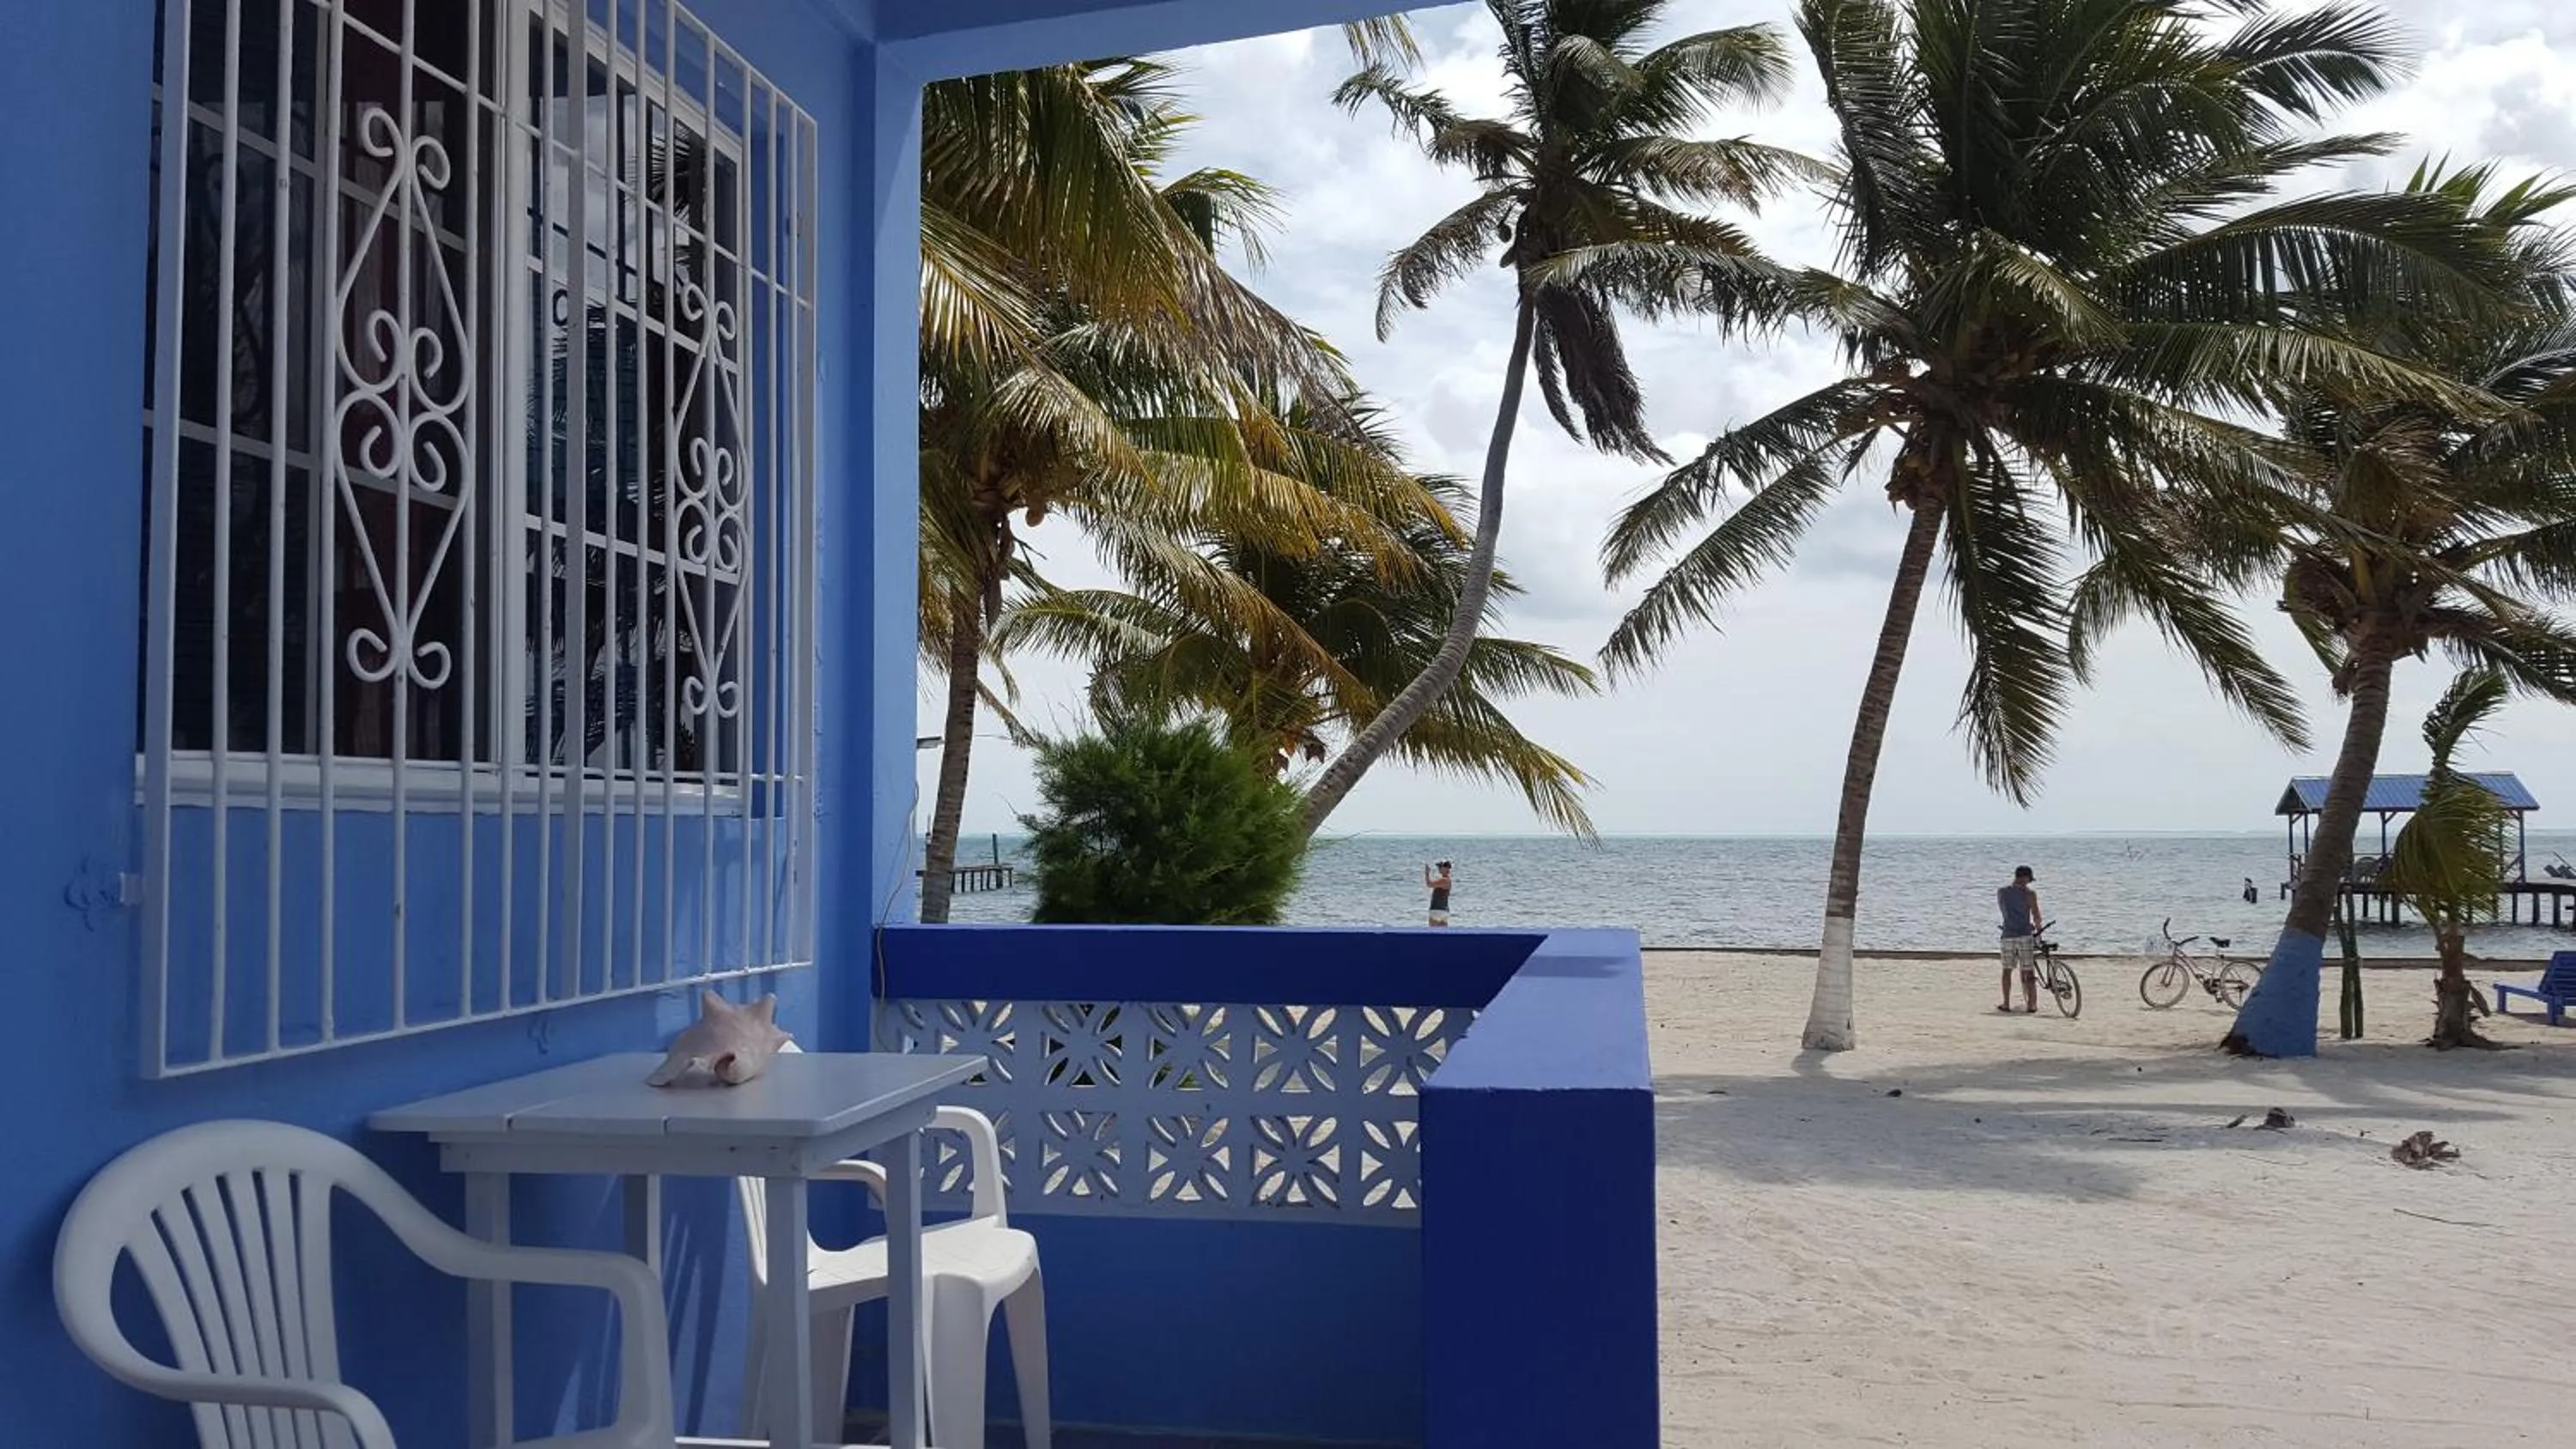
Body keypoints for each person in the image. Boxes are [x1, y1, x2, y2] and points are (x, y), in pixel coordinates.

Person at [1997, 866, 2041, 1013]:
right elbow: (2036, 914)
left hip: (2008, 934)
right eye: (2029, 879)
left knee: (2007, 970)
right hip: (2024, 934)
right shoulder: (2029, 894)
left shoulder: (2002, 892)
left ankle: (2006, 1003)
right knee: (2028, 970)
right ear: (2026, 877)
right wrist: (2038, 929)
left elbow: (2005, 912)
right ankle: (2032, 1005)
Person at [1425, 860, 1453, 927]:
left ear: (1446, 868)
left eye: (1440, 867)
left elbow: (1429, 884)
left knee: (1433, 933)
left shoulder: (1444, 880)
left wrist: (1427, 874)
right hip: (1443, 909)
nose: (1439, 869)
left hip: (1437, 910)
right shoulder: (1447, 880)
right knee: (1443, 933)